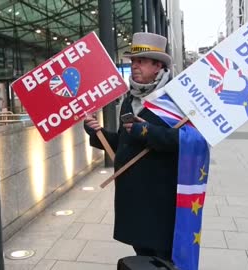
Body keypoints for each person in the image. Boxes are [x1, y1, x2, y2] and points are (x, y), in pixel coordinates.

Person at [83, 32, 178, 262]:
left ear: (157, 66)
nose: (135, 66)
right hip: (133, 198)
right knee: (141, 258)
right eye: (133, 61)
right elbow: (125, 143)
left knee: (163, 260)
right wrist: (97, 133)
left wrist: (146, 132)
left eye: (142, 61)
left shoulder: (173, 99)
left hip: (160, 201)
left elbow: (185, 142)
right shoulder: (129, 98)